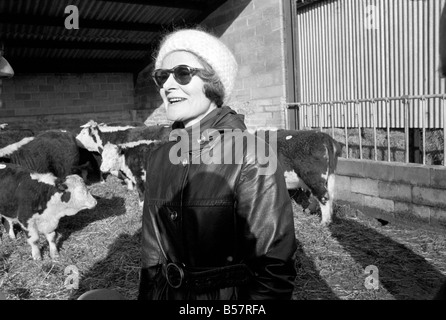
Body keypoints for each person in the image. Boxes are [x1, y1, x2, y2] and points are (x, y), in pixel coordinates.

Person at [138, 28, 297, 300]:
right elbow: (152, 252)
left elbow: (274, 269)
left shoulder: (252, 154)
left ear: (213, 82)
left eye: (182, 73)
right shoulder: (159, 157)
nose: (167, 85)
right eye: (162, 76)